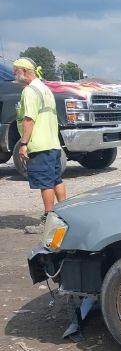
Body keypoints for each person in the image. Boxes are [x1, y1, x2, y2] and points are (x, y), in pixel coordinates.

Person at [13, 57, 66, 234]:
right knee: (56, 180)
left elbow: (29, 119)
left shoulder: (29, 91)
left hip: (39, 145)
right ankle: (65, 216)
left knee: (45, 183)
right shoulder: (45, 89)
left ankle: (48, 220)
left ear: (24, 71)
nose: (14, 75)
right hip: (53, 143)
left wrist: (23, 143)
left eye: (16, 71)